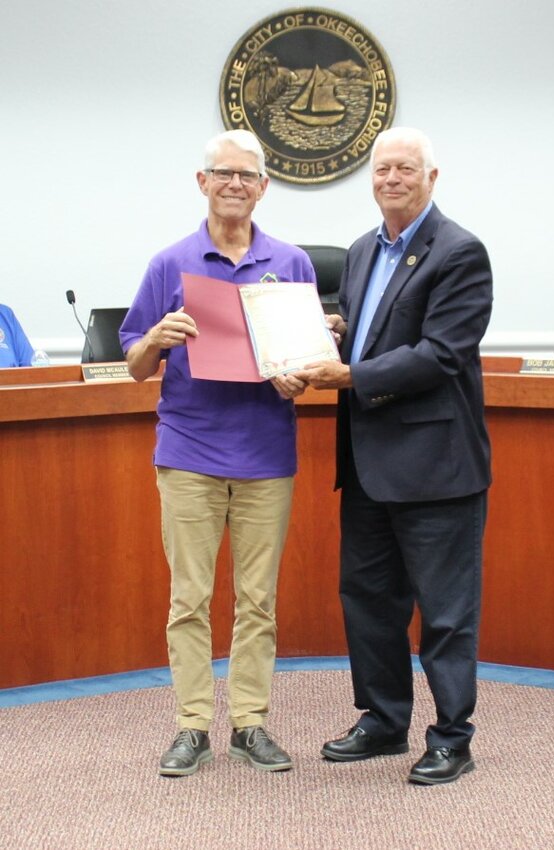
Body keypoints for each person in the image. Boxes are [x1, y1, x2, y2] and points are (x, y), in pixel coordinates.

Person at [293, 127, 493, 785]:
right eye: (382, 169)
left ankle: (451, 739)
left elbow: (441, 352)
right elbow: (366, 328)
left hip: (437, 466)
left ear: (432, 177)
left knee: (445, 612)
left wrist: (352, 376)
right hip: (368, 465)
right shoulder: (359, 252)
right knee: (369, 599)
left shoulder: (460, 252)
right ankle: (383, 722)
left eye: (406, 168)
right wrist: (334, 330)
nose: (391, 179)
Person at [119, 129, 315, 777]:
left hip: (265, 451)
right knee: (190, 598)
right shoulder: (167, 264)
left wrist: (301, 375)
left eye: (247, 176)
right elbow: (135, 368)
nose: (235, 185)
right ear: (201, 182)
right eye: (222, 174)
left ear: (263, 188)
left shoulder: (291, 263)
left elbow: (307, 364)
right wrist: (156, 336)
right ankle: (192, 725)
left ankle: (251, 723)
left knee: (258, 599)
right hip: (189, 452)